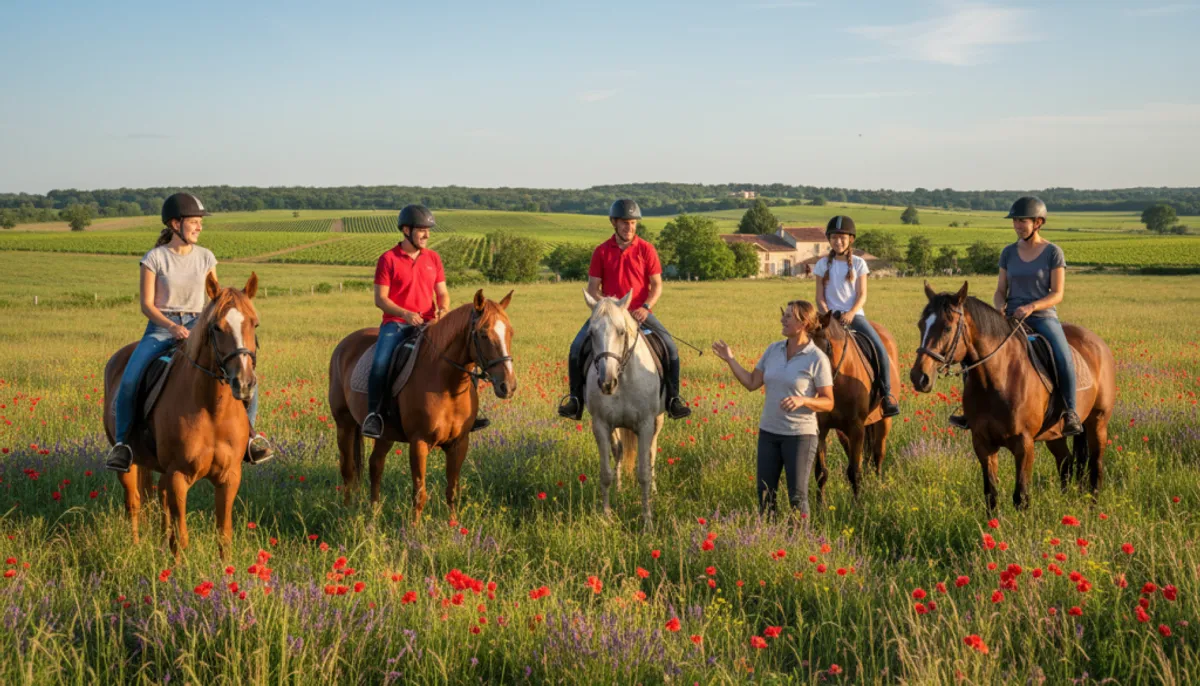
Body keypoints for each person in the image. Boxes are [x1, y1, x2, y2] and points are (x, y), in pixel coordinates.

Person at [106, 193, 273, 473]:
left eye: (200, 223)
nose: (199, 227)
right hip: (161, 328)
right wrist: (172, 326)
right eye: (194, 222)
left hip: (199, 325)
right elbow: (147, 305)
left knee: (245, 376)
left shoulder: (206, 257)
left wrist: (203, 326)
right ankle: (123, 444)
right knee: (129, 381)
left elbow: (216, 299)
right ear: (175, 224)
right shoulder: (154, 258)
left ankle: (250, 438)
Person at [949, 197, 1082, 435]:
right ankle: (971, 411)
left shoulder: (1053, 252)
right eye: (1015, 221)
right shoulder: (1008, 253)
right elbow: (1000, 290)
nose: (1018, 225)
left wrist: (1031, 307)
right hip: (1009, 318)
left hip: (1042, 317)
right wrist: (999, 306)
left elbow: (1057, 293)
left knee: (1062, 356)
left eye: (1023, 221)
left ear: (1038, 222)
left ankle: (1070, 411)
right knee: (973, 355)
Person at [557, 199, 691, 420]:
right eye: (624, 223)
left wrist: (646, 307)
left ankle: (673, 400)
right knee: (576, 348)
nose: (629, 227)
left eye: (633, 223)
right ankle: (575, 401)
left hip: (640, 313)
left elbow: (656, 286)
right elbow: (593, 289)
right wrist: (611, 308)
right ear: (614, 223)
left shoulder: (646, 249)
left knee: (671, 347)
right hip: (609, 316)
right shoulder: (601, 251)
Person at [712, 300, 834, 517]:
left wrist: (804, 401)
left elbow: (828, 401)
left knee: (797, 497)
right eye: (783, 315)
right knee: (765, 495)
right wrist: (730, 360)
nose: (782, 320)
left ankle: (799, 542)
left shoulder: (817, 358)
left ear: (804, 323)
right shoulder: (773, 350)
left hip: (800, 436)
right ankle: (770, 540)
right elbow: (751, 382)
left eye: (789, 317)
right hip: (768, 432)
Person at [361, 204, 451, 439]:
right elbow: (380, 299)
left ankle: (466, 414)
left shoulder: (433, 258)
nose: (427, 235)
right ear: (406, 230)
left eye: (428, 230)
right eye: (422, 230)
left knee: (459, 354)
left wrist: (443, 308)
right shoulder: (388, 259)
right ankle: (375, 415)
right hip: (397, 324)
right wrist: (405, 314)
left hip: (429, 323)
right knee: (380, 362)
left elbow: (442, 292)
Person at [812, 215, 899, 417]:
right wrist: (828, 316)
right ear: (829, 239)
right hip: (829, 318)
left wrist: (851, 313)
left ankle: (886, 395)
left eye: (842, 238)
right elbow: (819, 297)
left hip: (855, 316)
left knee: (879, 348)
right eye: (834, 237)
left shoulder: (859, 264)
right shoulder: (822, 264)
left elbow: (862, 295)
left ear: (850, 239)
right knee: (806, 345)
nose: (838, 241)